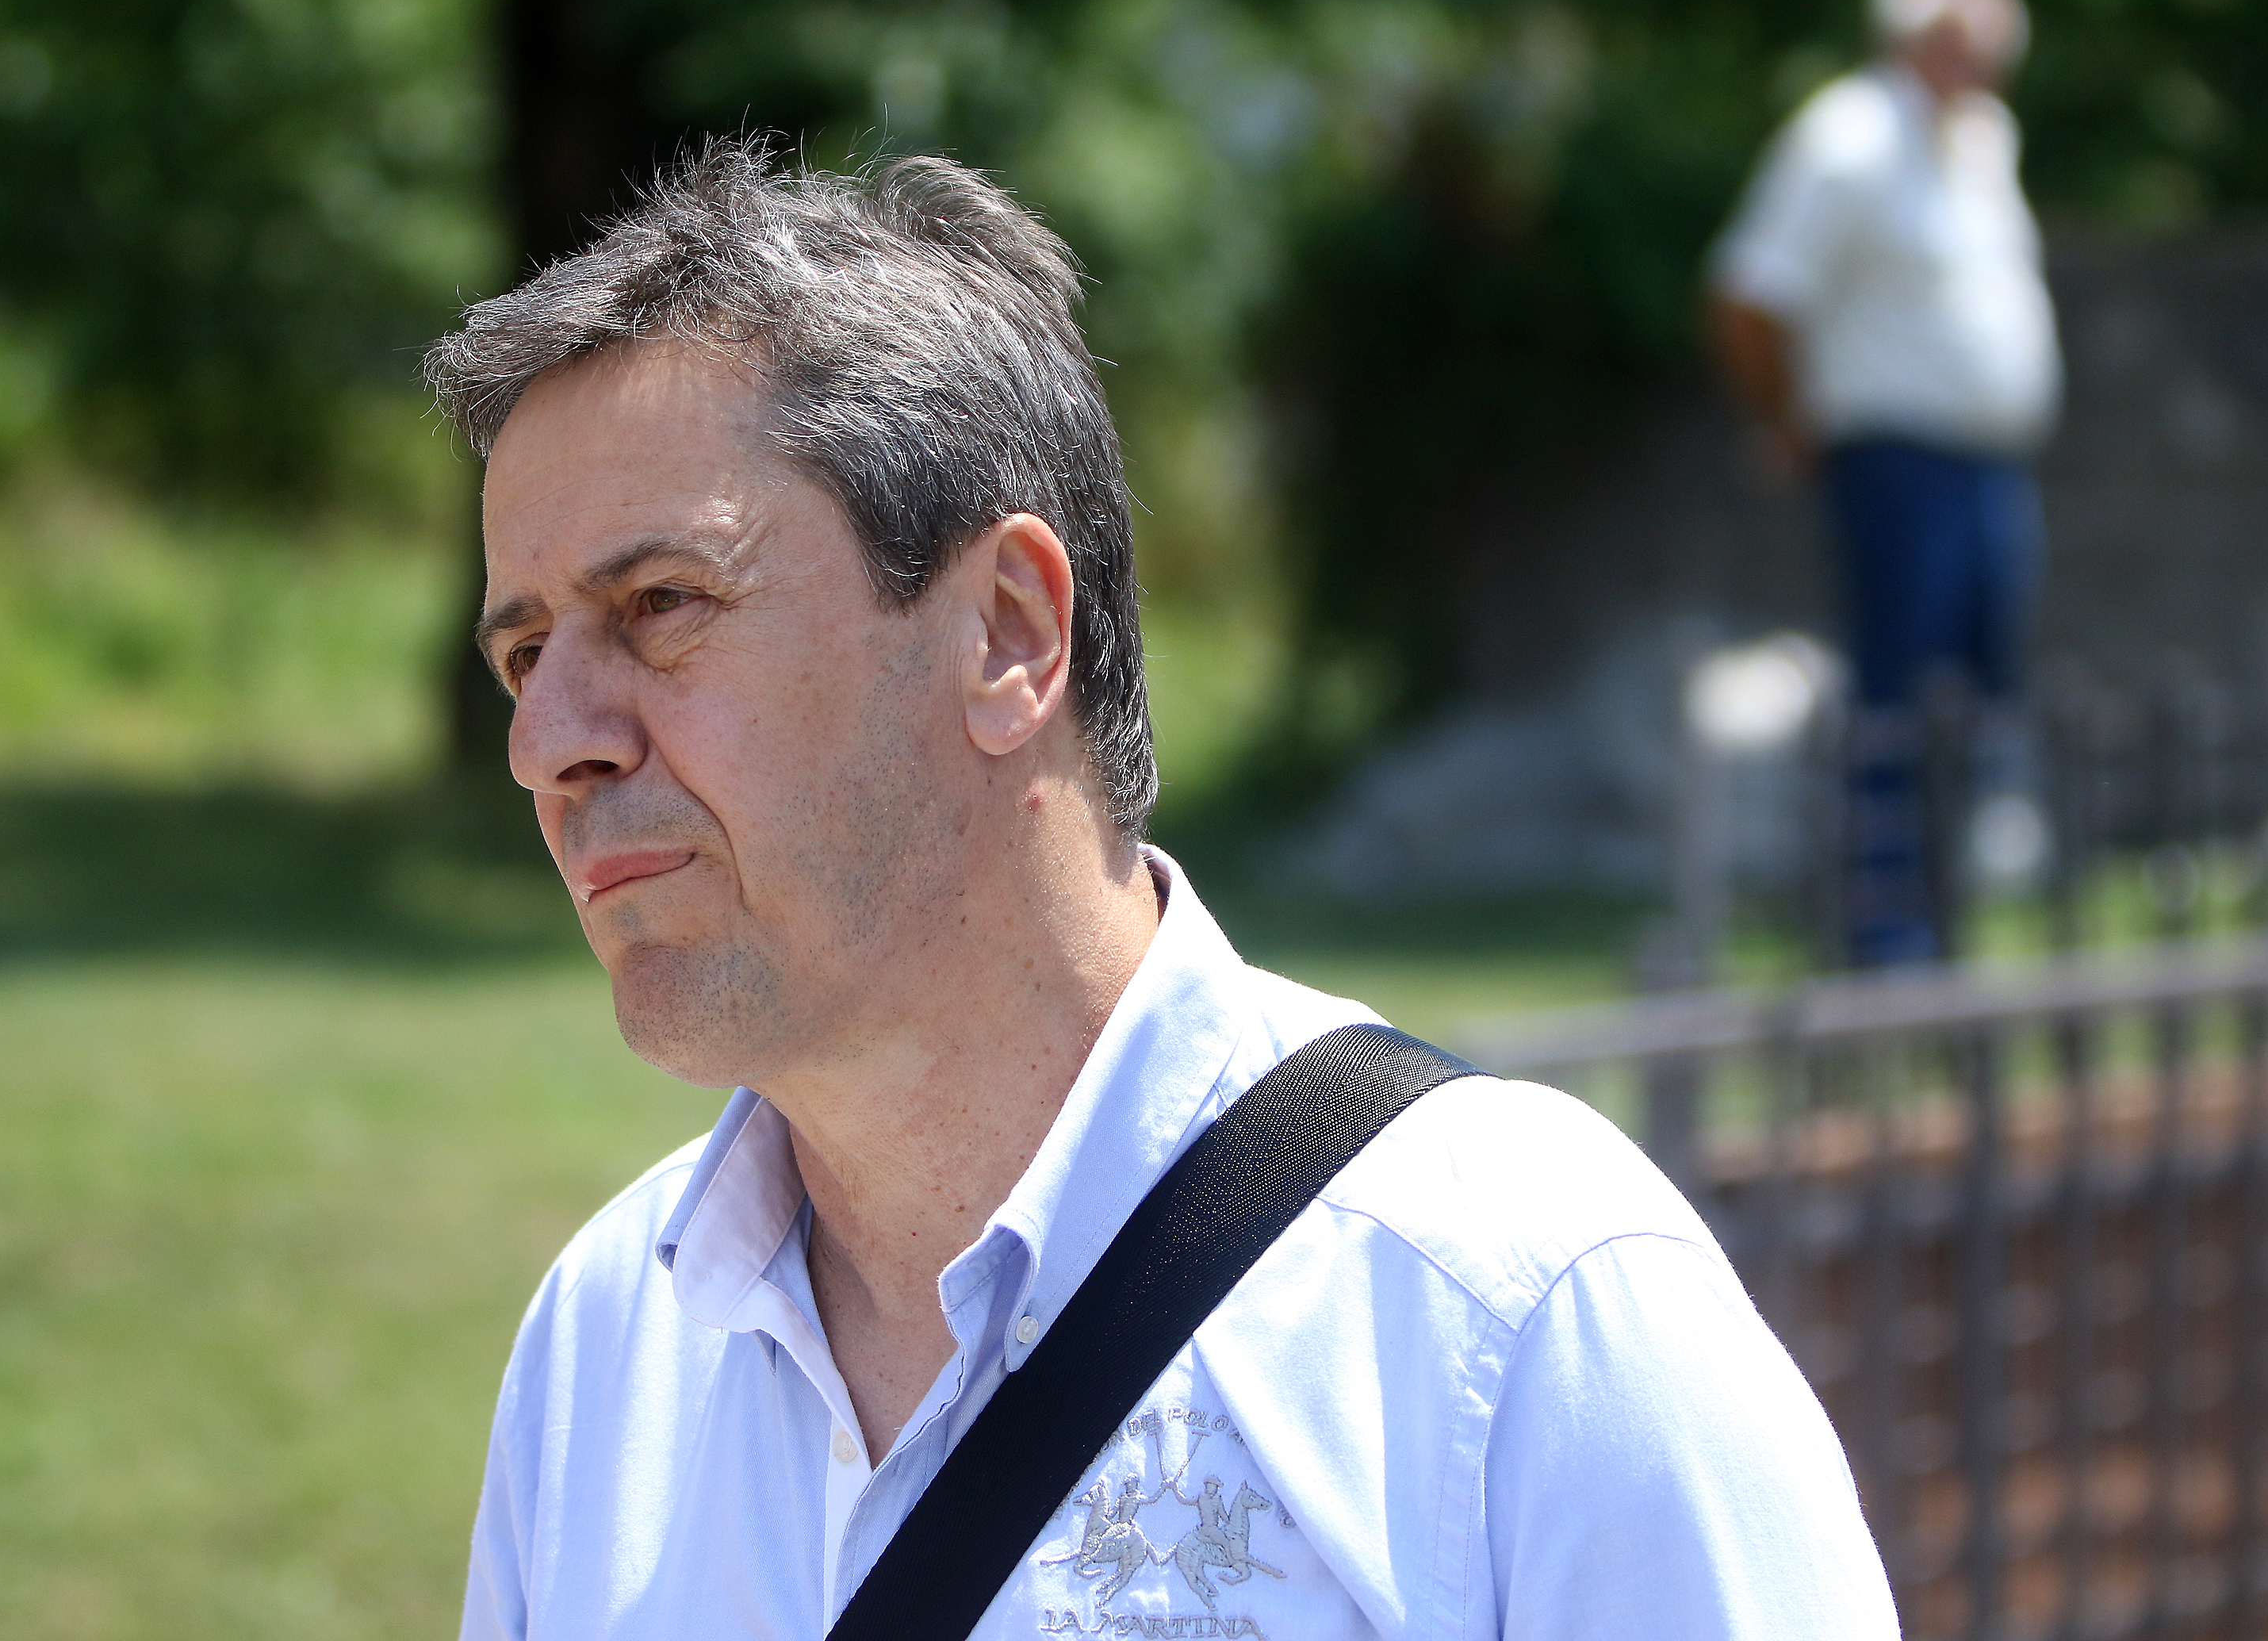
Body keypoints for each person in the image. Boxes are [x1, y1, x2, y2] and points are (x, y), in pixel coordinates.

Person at [426, 139, 1895, 1639]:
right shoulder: (605, 1348)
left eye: (661, 605)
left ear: (1007, 633)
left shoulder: (1518, 1322)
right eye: (527, 654)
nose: (549, 744)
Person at [1706, 0, 2059, 967]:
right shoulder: (1848, 137)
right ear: (1909, 38)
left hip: (1988, 461)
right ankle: (1881, 929)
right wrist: (1786, 417)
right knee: (1897, 694)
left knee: (1978, 697)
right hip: (1897, 459)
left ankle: (1942, 917)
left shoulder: (1984, 139)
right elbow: (1750, 293)